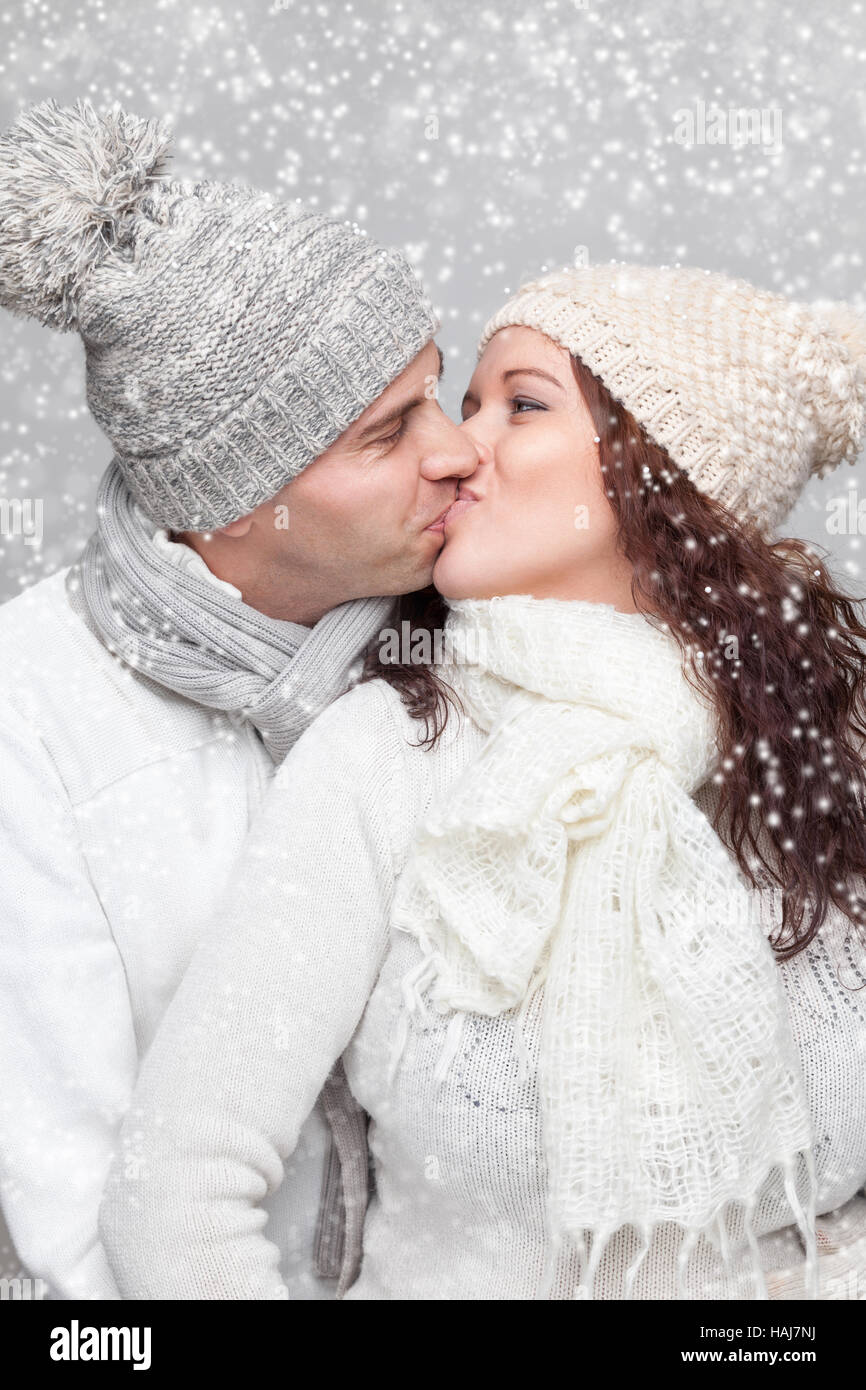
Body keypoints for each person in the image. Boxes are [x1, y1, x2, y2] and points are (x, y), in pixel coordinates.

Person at [99, 263, 866, 1301]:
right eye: (468, 405)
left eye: (521, 403)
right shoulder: (388, 753)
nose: (461, 451)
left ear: (665, 472)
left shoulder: (814, 756)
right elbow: (175, 1192)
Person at [0, 98, 478, 1301]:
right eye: (386, 433)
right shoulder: (32, 715)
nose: (458, 450)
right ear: (233, 497)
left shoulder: (469, 641)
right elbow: (73, 1208)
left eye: (440, 391)